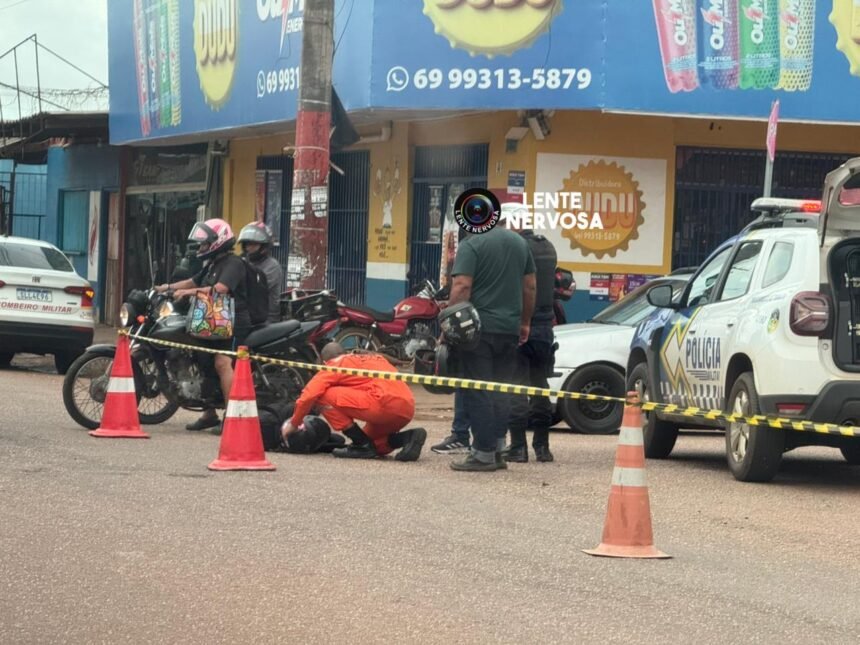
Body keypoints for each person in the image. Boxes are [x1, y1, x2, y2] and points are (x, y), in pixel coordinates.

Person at [446, 224, 536, 472]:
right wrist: (525, 322)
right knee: (500, 389)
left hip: (478, 330)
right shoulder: (520, 244)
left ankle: (482, 453)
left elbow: (462, 285)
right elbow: (529, 286)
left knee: (479, 389)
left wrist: (448, 320)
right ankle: (497, 448)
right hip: (509, 329)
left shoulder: (471, 244)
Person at [155, 218, 250, 432]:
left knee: (222, 363)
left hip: (234, 323)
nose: (201, 248)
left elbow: (221, 289)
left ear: (218, 241)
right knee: (201, 359)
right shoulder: (213, 264)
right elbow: (191, 282)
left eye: (204, 244)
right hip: (212, 321)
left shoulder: (234, 264)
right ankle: (209, 413)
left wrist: (187, 293)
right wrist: (165, 288)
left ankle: (232, 415)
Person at [280, 342, 427, 461]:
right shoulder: (374, 358)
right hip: (406, 408)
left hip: (383, 404)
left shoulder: (336, 364)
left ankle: (360, 444)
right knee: (375, 446)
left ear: (325, 361)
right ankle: (408, 437)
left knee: (323, 395)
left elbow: (309, 395)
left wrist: (294, 423)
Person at [504, 228, 559, 463]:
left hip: (522, 323)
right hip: (545, 328)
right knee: (540, 386)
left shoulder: (517, 248)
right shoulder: (546, 246)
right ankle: (543, 447)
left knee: (516, 387)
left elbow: (524, 286)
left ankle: (518, 447)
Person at [237, 221, 283, 323]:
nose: (249, 248)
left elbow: (252, 289)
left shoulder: (272, 266)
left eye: (254, 244)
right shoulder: (242, 261)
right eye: (247, 244)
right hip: (245, 315)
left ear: (264, 246)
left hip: (265, 319)